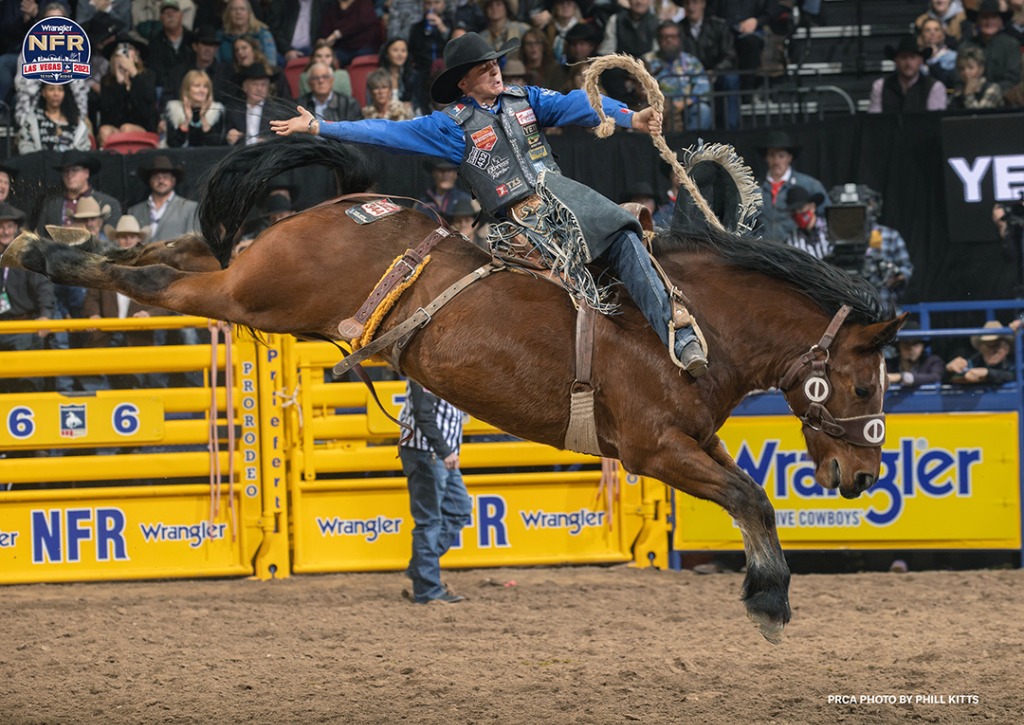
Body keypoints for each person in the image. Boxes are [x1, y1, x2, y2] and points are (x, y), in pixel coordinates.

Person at [272, 32, 708, 375]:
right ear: (463, 83)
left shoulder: (527, 99)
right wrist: (320, 127)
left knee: (624, 232)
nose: (495, 72)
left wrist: (628, 116)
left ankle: (676, 332)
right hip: (517, 221)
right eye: (483, 69)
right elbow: (386, 131)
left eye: (495, 64)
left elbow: (577, 103)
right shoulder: (450, 125)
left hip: (563, 199)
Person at [397, 379, 472, 605]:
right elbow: (424, 414)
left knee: (460, 510)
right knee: (430, 520)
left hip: (435, 454)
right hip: (427, 454)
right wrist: (445, 451)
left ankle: (421, 567)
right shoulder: (424, 374)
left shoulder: (437, 372)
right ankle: (427, 589)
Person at [0, 202, 55, 393]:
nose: (4, 231)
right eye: (0, 226)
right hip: (1, 327)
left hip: (23, 326)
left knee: (27, 383)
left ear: (16, 229)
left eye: (9, 226)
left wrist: (46, 314)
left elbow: (43, 287)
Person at [755, 130, 829, 243]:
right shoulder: (753, 188)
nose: (776, 161)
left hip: (796, 251)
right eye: (771, 156)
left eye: (781, 156)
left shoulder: (809, 185)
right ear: (766, 158)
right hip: (763, 252)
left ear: (789, 158)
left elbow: (829, 215)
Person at [643, 21, 713, 132]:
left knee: (703, 110)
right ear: (658, 39)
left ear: (680, 39)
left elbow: (704, 89)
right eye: (665, 37)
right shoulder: (647, 60)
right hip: (659, 108)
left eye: (673, 36)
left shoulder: (691, 61)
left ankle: (691, 146)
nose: (669, 40)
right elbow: (640, 89)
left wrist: (683, 103)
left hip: (687, 106)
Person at [680, 0, 740, 130]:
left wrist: (715, 71)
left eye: (695, 3)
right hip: (690, 77)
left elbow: (730, 55)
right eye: (687, 3)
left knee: (731, 79)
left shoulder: (718, 26)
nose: (691, 7)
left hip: (716, 74)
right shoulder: (678, 29)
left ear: (703, 4)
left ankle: (732, 128)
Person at [96, 36, 160, 146]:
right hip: (116, 128)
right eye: (119, 50)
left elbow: (147, 111)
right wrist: (119, 83)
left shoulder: (147, 76)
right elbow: (108, 116)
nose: (123, 54)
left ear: (136, 56)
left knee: (127, 128)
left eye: (128, 49)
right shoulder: (107, 81)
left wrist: (134, 74)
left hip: (143, 128)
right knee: (104, 131)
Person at [39, 151, 123, 233]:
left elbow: (114, 240)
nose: (69, 175)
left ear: (86, 173)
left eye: (74, 170)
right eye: (65, 171)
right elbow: (41, 237)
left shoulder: (108, 203)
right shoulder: (51, 205)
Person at [867, 34, 948, 113]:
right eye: (903, 57)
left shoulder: (934, 87)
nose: (908, 63)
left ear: (921, 61)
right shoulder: (880, 86)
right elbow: (874, 120)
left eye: (912, 57)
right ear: (896, 61)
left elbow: (935, 121)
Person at [128, 155, 200, 242]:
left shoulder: (189, 208)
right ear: (150, 181)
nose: (161, 181)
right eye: (156, 177)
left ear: (173, 181)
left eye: (165, 177)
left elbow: (194, 244)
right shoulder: (134, 211)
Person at [961, 0, 1021, 93]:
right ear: (977, 21)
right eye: (984, 17)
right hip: (969, 96)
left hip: (1003, 100)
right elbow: (958, 80)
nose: (989, 22)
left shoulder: (1011, 45)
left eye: (993, 17)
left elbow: (1012, 79)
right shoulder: (966, 46)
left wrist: (989, 90)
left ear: (1000, 21)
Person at [16, 82, 92, 155]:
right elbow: (25, 146)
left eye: (60, 89)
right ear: (43, 92)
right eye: (51, 89)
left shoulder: (76, 122)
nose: (56, 94)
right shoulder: (32, 121)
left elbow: (84, 150)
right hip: (40, 165)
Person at [163, 70, 227, 147]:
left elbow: (215, 145)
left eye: (205, 86)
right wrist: (187, 120)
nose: (202, 90)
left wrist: (203, 118)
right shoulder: (174, 109)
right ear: (187, 89)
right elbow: (173, 144)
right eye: (197, 86)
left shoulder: (216, 111)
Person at [145, 0, 195, 98]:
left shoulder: (192, 40)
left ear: (181, 15)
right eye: (166, 13)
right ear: (160, 18)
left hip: (191, 87)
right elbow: (156, 72)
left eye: (174, 12)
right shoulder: (154, 43)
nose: (170, 15)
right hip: (166, 89)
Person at [946, 320, 1017, 385]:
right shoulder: (974, 361)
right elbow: (955, 378)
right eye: (988, 345)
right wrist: (951, 370)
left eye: (997, 345)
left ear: (1007, 347)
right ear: (980, 348)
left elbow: (1015, 375)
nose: (993, 350)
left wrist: (987, 373)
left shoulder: (1015, 361)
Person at [318, 0, 383, 69]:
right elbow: (326, 31)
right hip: (341, 49)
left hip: (363, 47)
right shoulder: (332, 7)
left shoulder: (364, 3)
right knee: (326, 58)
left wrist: (337, 34)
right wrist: (324, 41)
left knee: (362, 60)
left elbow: (361, 22)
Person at [226, 64, 279, 145]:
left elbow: (283, 138)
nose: (259, 89)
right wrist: (229, 136)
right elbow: (222, 137)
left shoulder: (275, 111)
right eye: (255, 84)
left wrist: (267, 142)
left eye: (263, 85)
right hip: (240, 154)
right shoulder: (234, 110)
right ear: (245, 87)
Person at [217, 0, 278, 67]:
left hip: (259, 75)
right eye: (234, 9)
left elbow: (271, 64)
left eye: (242, 9)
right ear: (228, 14)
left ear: (249, 13)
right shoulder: (220, 36)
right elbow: (217, 64)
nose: (238, 12)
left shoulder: (263, 34)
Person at [299, 61, 363, 122]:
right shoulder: (300, 105)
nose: (321, 81)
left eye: (325, 77)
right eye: (315, 78)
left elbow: (356, 131)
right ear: (309, 83)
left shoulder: (349, 104)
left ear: (332, 80)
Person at [886, 321, 944, 388]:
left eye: (916, 344)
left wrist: (902, 377)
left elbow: (936, 377)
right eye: (906, 343)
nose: (911, 348)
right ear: (899, 346)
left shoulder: (932, 362)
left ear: (922, 347)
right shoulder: (888, 365)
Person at [948, 44, 1005, 109]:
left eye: (970, 67)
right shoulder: (958, 93)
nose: (966, 72)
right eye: (962, 68)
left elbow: (981, 116)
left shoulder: (993, 89)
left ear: (981, 69)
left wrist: (968, 95)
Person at [379, 37, 426, 115]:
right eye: (395, 50)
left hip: (408, 117)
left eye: (403, 51)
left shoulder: (414, 76)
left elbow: (418, 102)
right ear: (386, 54)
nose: (400, 54)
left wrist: (410, 105)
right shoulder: (378, 76)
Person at [782, 185, 831, 259]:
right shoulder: (791, 241)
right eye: (793, 210)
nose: (797, 213)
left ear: (813, 207)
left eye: (801, 208)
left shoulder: (830, 230)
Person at [918, 16, 958, 89]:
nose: (932, 33)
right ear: (921, 36)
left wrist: (933, 59)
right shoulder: (916, 58)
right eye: (927, 30)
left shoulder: (954, 57)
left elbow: (948, 83)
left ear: (943, 35)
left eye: (936, 30)